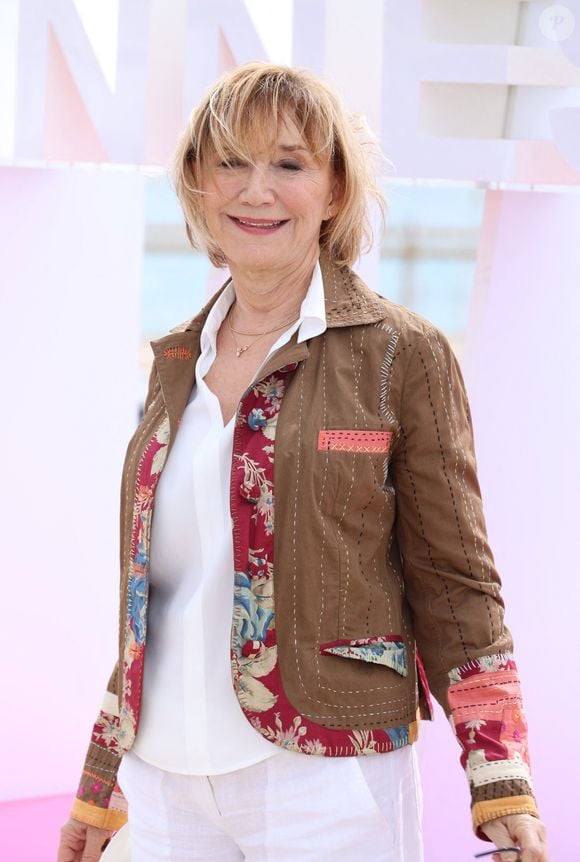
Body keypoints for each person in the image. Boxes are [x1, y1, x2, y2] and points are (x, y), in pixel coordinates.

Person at [57, 62, 548, 862]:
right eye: (232, 163)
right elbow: (157, 601)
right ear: (197, 185)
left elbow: (457, 586)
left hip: (326, 776)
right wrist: (102, 780)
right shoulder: (175, 362)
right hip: (162, 786)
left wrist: (500, 773)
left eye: (288, 163)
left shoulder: (401, 355)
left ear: (333, 190)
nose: (257, 190)